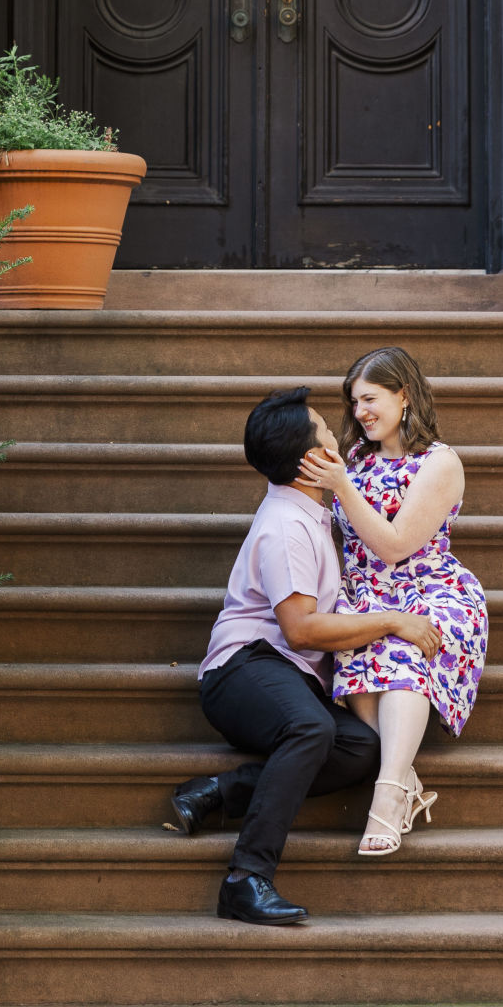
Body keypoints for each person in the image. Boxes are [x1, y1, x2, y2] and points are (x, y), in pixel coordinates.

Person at [169, 385, 443, 926]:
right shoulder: (287, 526)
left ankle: (222, 790)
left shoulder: (310, 510)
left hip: (280, 672)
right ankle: (246, 879)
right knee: (311, 731)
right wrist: (392, 621)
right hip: (243, 669)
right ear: (313, 460)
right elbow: (300, 630)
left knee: (361, 749)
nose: (338, 436)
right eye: (325, 430)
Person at [297, 346, 488, 857]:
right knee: (358, 650)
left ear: (404, 396)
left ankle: (385, 799)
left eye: (371, 398)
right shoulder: (353, 458)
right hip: (364, 594)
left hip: (430, 590)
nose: (360, 412)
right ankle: (408, 783)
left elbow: (397, 545)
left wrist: (340, 484)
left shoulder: (439, 462)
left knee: (403, 656)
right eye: (354, 401)